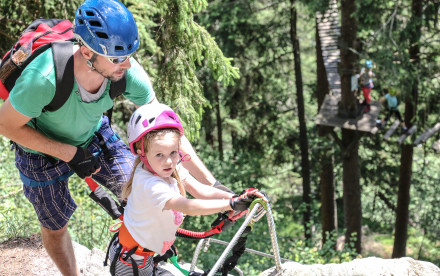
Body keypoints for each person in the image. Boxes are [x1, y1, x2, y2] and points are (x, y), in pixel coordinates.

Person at [0, 1, 221, 275]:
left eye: (130, 54)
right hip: (37, 150)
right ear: (86, 52)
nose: (127, 64)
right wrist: (69, 153)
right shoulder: (43, 78)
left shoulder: (127, 73)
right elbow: (6, 125)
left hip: (93, 134)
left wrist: (214, 185)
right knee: (55, 226)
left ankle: (142, 261)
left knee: (145, 190)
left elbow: (166, 130)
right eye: (118, 58)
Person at [108, 104, 267, 275]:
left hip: (141, 258)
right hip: (129, 263)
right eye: (159, 154)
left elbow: (201, 190)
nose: (168, 161)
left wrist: (238, 197)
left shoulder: (168, 168)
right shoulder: (149, 184)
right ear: (141, 152)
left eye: (173, 152)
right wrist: (230, 204)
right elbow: (187, 206)